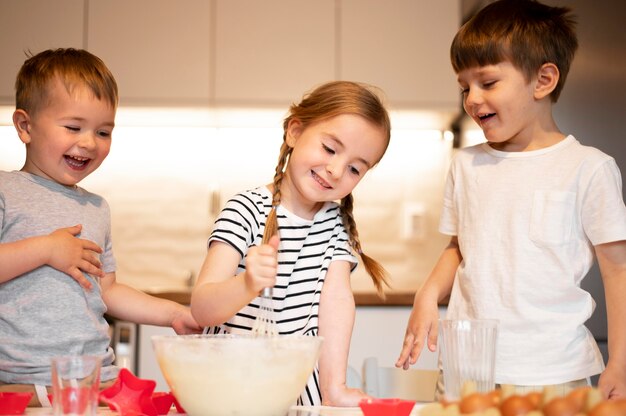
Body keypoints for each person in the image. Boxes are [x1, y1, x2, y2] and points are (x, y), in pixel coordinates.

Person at [396, 0, 626, 401]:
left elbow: (618, 272)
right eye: (464, 86)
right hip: (468, 369)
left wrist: (620, 363)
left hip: (554, 371)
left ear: (543, 80)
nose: (471, 98)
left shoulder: (588, 168)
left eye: (487, 82)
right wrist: (427, 294)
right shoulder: (466, 165)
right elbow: (457, 247)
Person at [0, 48, 202, 407]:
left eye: (103, 131)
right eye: (73, 127)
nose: (89, 142)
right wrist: (47, 249)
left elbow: (107, 289)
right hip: (20, 386)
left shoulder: (96, 208)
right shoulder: (6, 191)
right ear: (25, 126)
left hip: (96, 383)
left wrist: (172, 313)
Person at [191, 80, 391, 406]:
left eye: (355, 168)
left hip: (298, 398)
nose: (336, 170)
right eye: (329, 148)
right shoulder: (246, 210)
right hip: (228, 392)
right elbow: (201, 308)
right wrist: (247, 284)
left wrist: (334, 387)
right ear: (295, 131)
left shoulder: (334, 225)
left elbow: (337, 304)